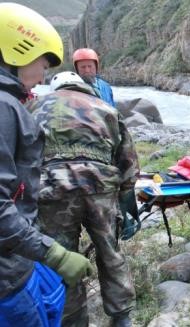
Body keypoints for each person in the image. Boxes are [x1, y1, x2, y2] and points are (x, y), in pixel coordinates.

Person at [0, 3, 93, 326]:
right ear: (14, 53)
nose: (43, 74)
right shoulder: (4, 108)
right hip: (7, 278)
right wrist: (52, 253)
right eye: (42, 61)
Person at [26, 71, 139, 327]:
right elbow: (129, 162)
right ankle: (122, 316)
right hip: (100, 189)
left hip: (52, 191)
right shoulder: (106, 108)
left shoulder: (32, 107)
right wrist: (123, 197)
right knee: (110, 252)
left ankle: (72, 319)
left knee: (63, 256)